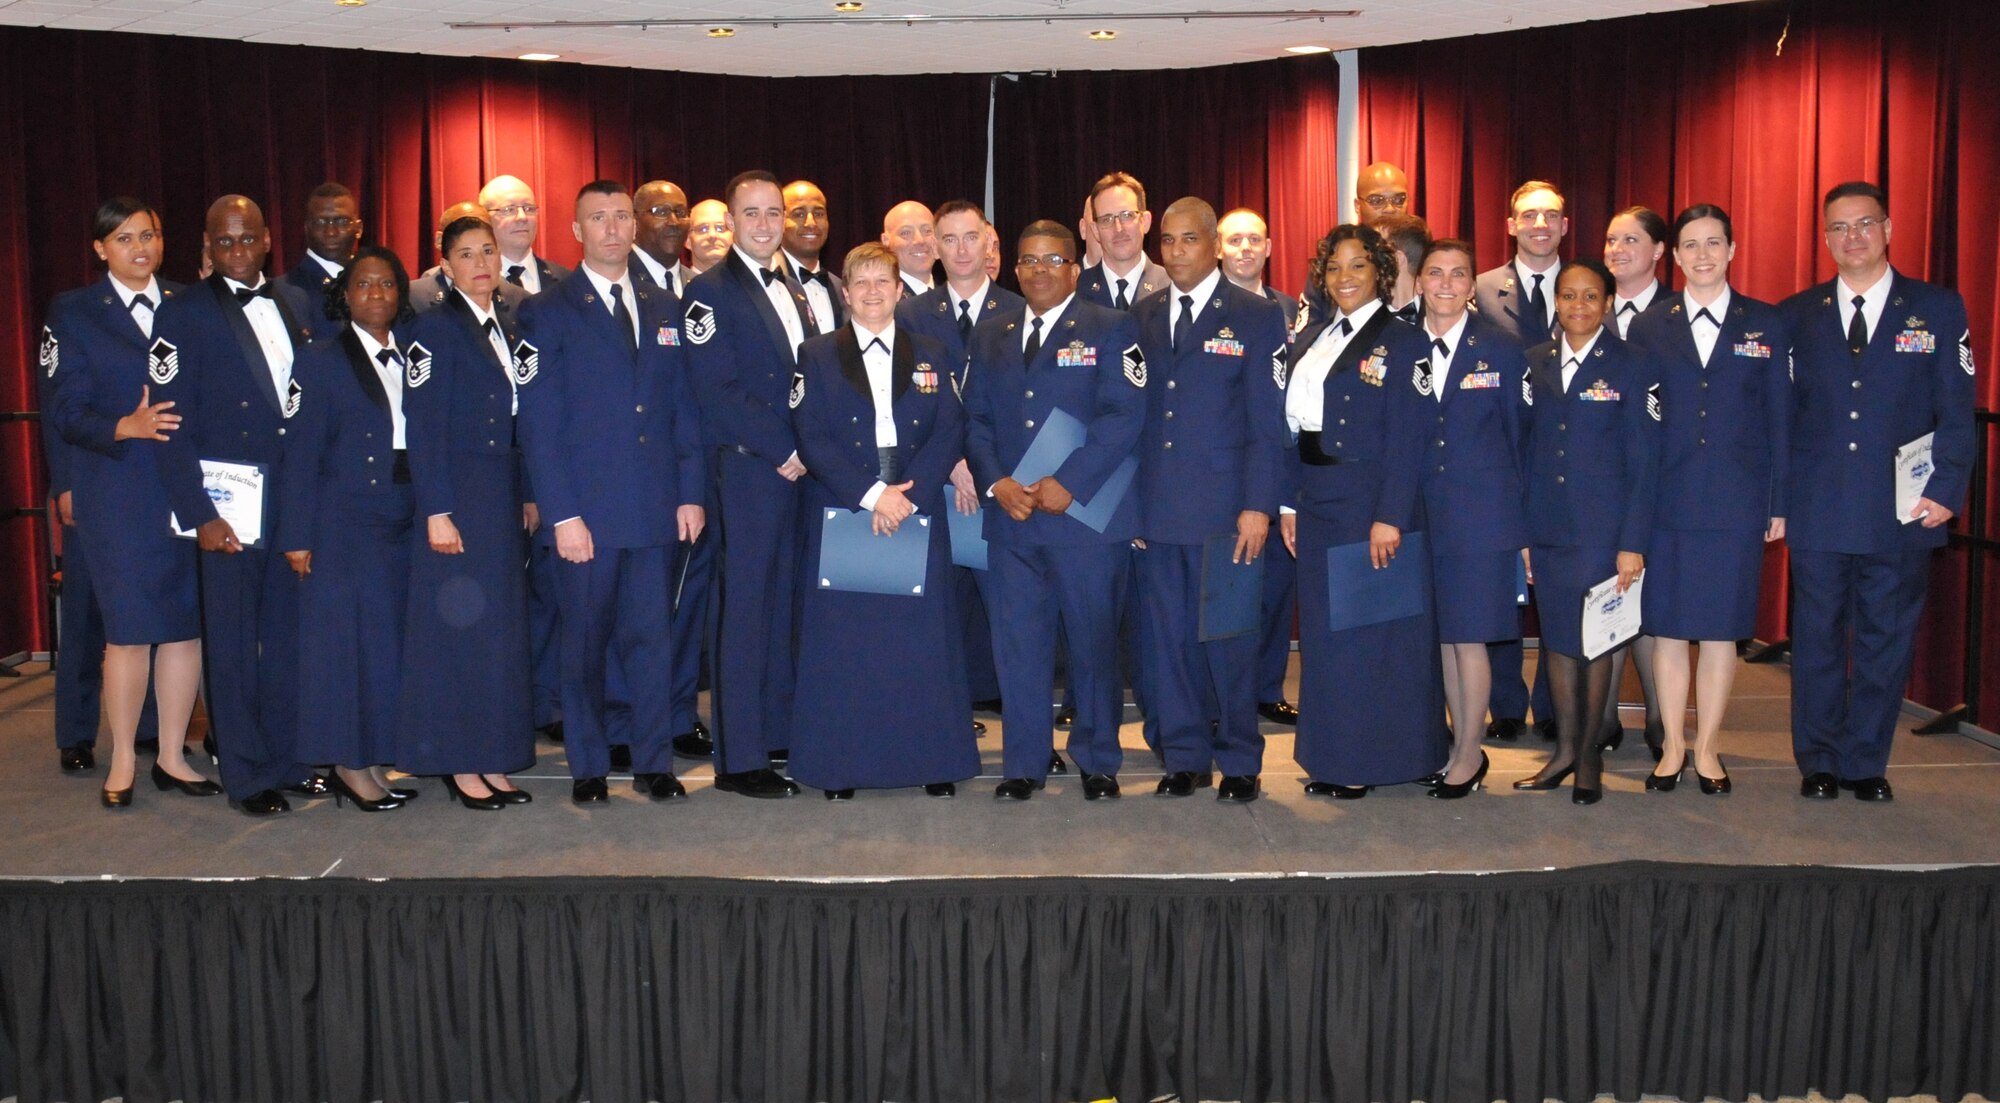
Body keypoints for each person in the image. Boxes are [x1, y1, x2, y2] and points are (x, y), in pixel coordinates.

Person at [1781, 180, 1975, 802]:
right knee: (1815, 638)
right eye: (1838, 228)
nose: (1852, 238)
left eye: (1864, 224)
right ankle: (1818, 760)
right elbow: (1781, 419)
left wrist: (1947, 487)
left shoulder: (1938, 309)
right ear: (1825, 238)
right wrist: (1777, 502)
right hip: (1817, 507)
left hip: (1903, 509)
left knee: (1884, 639)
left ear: (1889, 229)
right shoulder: (1797, 314)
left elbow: (1956, 406)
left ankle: (1866, 762)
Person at [517, 180, 707, 805]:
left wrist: (691, 492)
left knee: (653, 642)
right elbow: (540, 425)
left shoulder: (662, 304)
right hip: (587, 517)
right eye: (597, 218)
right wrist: (563, 515)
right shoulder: (547, 310)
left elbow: (682, 408)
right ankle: (589, 766)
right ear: (574, 231)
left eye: (622, 216)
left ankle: (654, 765)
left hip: (654, 508)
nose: (612, 228)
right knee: (585, 646)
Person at [152, 195, 324, 815]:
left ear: (267, 239)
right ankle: (247, 775)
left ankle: (289, 759)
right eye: (224, 243)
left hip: (292, 497)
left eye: (247, 239)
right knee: (230, 642)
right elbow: (169, 427)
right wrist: (199, 513)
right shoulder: (182, 314)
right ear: (206, 247)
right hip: (228, 505)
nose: (237, 251)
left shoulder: (296, 301)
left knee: (287, 638)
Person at [962, 220, 1145, 800]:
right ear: (1013, 268)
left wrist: (1070, 481)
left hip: (1083, 519)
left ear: (1074, 266)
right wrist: (995, 484)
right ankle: (1024, 763)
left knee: (1092, 645)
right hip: (1012, 521)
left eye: (1053, 260)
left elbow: (1125, 416)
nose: (1040, 270)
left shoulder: (1113, 327)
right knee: (1018, 647)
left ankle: (1097, 761)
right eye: (1028, 260)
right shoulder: (990, 335)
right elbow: (978, 421)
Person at [788, 242, 977, 798]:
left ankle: (931, 763)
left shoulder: (932, 351)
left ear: (900, 290)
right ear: (845, 293)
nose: (872, 292)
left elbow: (950, 428)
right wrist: (872, 495)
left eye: (882, 282)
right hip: (849, 507)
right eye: (861, 283)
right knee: (846, 647)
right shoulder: (816, 354)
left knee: (923, 644)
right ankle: (840, 767)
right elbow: (812, 435)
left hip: (915, 505)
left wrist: (908, 499)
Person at [1625, 203, 1790, 795]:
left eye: (1713, 243)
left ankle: (1710, 749)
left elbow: (1780, 420)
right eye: (1690, 245)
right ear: (1673, 256)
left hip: (1736, 502)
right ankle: (1671, 746)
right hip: (1666, 499)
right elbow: (1639, 423)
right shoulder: (1649, 325)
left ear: (1732, 250)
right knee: (1668, 628)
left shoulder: (1766, 324)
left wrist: (1779, 500)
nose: (1702, 255)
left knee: (1720, 631)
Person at [43, 197, 202, 806]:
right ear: (100, 248)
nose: (142, 248)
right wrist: (123, 427)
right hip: (119, 489)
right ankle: (120, 761)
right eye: (127, 238)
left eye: (151, 235)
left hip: (188, 489)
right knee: (130, 632)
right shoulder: (76, 312)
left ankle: (170, 757)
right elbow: (64, 411)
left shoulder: (190, 303)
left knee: (185, 628)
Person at [1278, 223, 1446, 798]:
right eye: (1333, 267)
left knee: (1374, 640)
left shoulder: (1404, 341)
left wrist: (1391, 515)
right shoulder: (1317, 336)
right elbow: (1295, 429)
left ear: (1380, 271)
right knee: (1328, 642)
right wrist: (1287, 503)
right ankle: (1335, 758)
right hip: (1318, 503)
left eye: (1357, 265)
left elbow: (1411, 435)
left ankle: (1371, 763)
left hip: (1368, 506)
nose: (1344, 277)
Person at [1131, 198, 1288, 801]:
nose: (1175, 252)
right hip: (1159, 509)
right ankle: (1186, 756)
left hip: (1227, 510)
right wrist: (1134, 509)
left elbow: (1265, 422)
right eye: (1166, 242)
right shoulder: (1143, 317)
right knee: (1168, 643)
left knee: (1229, 639)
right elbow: (1134, 419)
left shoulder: (1254, 314)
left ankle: (1242, 760)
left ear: (1214, 244)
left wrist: (1258, 505)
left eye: (1187, 240)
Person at [683, 170, 816, 799]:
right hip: (747, 469)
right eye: (752, 214)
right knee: (744, 610)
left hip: (797, 472)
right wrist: (786, 447)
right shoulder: (709, 292)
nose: (765, 225)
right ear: (731, 221)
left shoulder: (798, 287)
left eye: (773, 214)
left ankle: (778, 730)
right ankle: (739, 758)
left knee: (785, 604)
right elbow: (719, 394)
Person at [276, 246, 422, 812]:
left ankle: (374, 758)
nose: (377, 295)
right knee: (345, 649)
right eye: (364, 285)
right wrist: (297, 534)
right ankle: (348, 764)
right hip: (342, 521)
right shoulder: (320, 358)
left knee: (385, 647)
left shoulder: (414, 352)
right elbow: (300, 452)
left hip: (402, 516)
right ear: (345, 294)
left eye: (386, 285)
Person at [399, 215, 536, 810]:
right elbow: (421, 426)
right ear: (445, 265)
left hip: (500, 493)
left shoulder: (508, 321)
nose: (481, 263)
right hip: (456, 495)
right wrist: (436, 508)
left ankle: (492, 753)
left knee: (498, 632)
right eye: (466, 254)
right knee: (456, 631)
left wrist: (528, 493)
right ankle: (459, 763)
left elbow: (522, 421)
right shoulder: (431, 329)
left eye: (488, 251)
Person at [1514, 259, 1660, 804]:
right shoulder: (1535, 361)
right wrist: (1524, 529)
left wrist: (1633, 542)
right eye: (1568, 296)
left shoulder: (1633, 364)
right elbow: (1526, 450)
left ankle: (1592, 755)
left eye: (1590, 297)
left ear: (1607, 303)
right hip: (1548, 524)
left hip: (1605, 529)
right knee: (1556, 641)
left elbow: (1644, 461)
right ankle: (1566, 750)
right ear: (1556, 302)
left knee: (1596, 642)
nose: (1578, 306)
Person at [1404, 238, 1530, 798]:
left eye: (1459, 274)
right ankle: (1458, 745)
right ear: (1418, 282)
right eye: (1436, 273)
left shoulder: (1502, 349)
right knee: (1443, 638)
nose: (1447, 284)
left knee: (1472, 637)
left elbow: (1521, 440)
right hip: (1419, 515)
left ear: (1473, 284)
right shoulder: (1400, 346)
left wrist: (1524, 530)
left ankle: (1470, 754)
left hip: (1484, 517)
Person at [896, 199, 1025, 717]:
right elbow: (906, 400)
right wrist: (953, 462)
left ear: (990, 242)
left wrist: (984, 469)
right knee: (936, 613)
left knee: (1012, 614)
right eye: (947, 240)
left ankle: (1025, 728)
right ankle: (939, 723)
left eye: (970, 237)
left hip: (999, 483)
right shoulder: (909, 313)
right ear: (933, 248)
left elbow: (1021, 405)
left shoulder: (1020, 308)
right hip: (935, 479)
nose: (960, 249)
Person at [1475, 179, 1568, 743]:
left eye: (1550, 215)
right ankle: (1505, 701)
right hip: (1499, 458)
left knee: (1558, 582)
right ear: (1510, 225)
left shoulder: (1588, 287)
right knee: (1502, 586)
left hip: (1566, 462)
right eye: (1528, 215)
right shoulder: (1478, 289)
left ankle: (1555, 703)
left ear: (1564, 224)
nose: (1540, 224)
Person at [631, 178, 711, 762]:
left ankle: (677, 713)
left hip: (697, 471)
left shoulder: (693, 288)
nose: (672, 220)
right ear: (634, 220)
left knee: (687, 603)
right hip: (638, 480)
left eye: (679, 212)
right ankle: (629, 721)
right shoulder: (620, 284)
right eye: (658, 211)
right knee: (639, 612)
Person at [1218, 206, 1304, 726]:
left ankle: (1267, 688)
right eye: (1235, 240)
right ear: (1219, 249)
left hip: (1284, 467)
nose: (1246, 248)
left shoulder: (1293, 310)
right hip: (1228, 474)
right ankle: (1225, 696)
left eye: (1255, 240)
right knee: (1227, 595)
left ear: (1269, 248)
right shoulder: (1209, 308)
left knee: (1275, 589)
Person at [1599, 204, 1673, 754]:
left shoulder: (1676, 313)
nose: (1618, 250)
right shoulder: (1584, 307)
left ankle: (1660, 719)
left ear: (1658, 252)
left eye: (1631, 240)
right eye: (1611, 240)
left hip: (1659, 478)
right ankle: (1600, 720)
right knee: (1605, 596)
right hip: (1596, 483)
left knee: (1650, 604)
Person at [282, 182, 363, 340]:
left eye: (341, 221)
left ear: (358, 229)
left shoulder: (376, 284)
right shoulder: (285, 292)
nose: (331, 232)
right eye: (320, 222)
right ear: (306, 229)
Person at [1078, 172, 1169, 310]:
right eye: (1106, 219)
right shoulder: (1073, 291)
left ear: (1145, 221)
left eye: (1127, 215)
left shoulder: (1172, 286)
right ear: (1095, 230)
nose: (1118, 228)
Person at [478, 174, 569, 293]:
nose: (522, 217)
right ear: (484, 218)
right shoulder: (473, 282)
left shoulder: (566, 282)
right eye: (509, 210)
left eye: (529, 209)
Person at [784, 180, 846, 329]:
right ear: (779, 221)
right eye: (799, 214)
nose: (811, 223)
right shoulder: (768, 282)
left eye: (818, 213)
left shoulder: (841, 288)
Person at [632, 179, 694, 298]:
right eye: (661, 212)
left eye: (681, 212)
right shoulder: (618, 278)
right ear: (635, 220)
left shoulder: (698, 285)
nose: (674, 222)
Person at [1373, 213, 1431, 323]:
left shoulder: (1441, 314)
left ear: (1397, 258)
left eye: (1375, 251)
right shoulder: (1361, 314)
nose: (1367, 258)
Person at [882, 199, 938, 297]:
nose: (920, 240)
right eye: (906, 233)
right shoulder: (881, 302)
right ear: (886, 241)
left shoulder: (956, 297)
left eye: (927, 231)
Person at [1353, 161, 1411, 227]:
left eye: (1399, 200)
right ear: (1357, 206)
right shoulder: (1347, 237)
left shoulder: (1420, 236)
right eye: (1377, 201)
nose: (1389, 209)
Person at [687, 199, 732, 273]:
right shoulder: (676, 284)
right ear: (687, 240)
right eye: (703, 229)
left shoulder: (753, 282)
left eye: (720, 228)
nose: (712, 235)